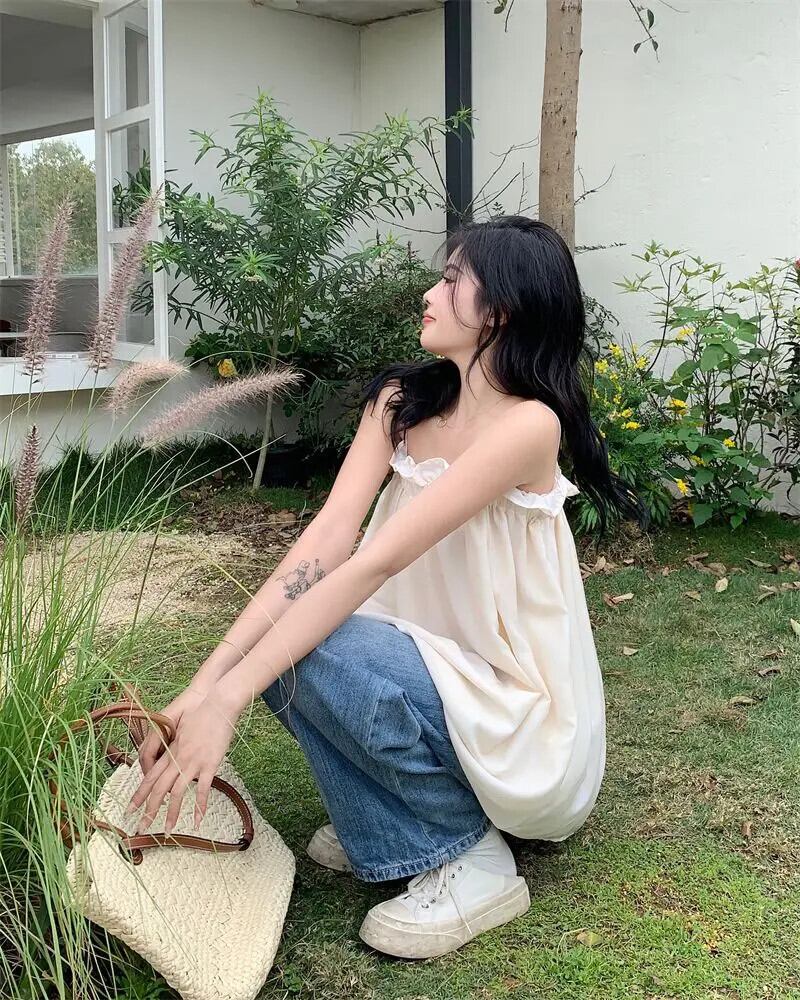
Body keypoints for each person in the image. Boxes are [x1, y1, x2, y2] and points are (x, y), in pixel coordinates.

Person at [125, 215, 649, 961]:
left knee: (309, 646)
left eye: (451, 279)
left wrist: (228, 699)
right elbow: (325, 543)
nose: (429, 294)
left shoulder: (529, 426)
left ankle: (472, 860)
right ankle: (391, 818)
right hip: (423, 665)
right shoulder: (402, 403)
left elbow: (372, 565)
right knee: (290, 645)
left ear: (499, 310)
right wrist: (201, 690)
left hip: (513, 709)